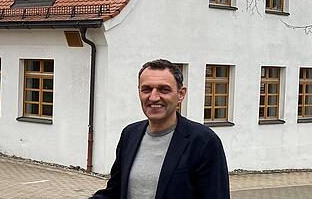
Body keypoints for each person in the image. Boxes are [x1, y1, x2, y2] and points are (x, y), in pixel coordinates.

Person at [92, 59, 229, 199]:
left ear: (181, 94)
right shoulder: (130, 134)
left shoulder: (203, 141)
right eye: (146, 89)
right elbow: (115, 191)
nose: (154, 97)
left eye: (164, 90)